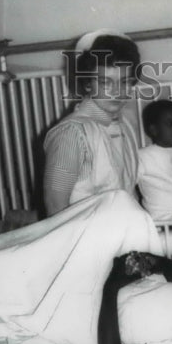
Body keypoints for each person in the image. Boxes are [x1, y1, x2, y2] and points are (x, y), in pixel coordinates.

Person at [42, 30, 141, 216]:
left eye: (125, 82)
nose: (117, 91)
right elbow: (55, 208)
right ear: (88, 83)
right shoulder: (71, 134)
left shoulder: (126, 126)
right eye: (105, 82)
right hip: (83, 237)